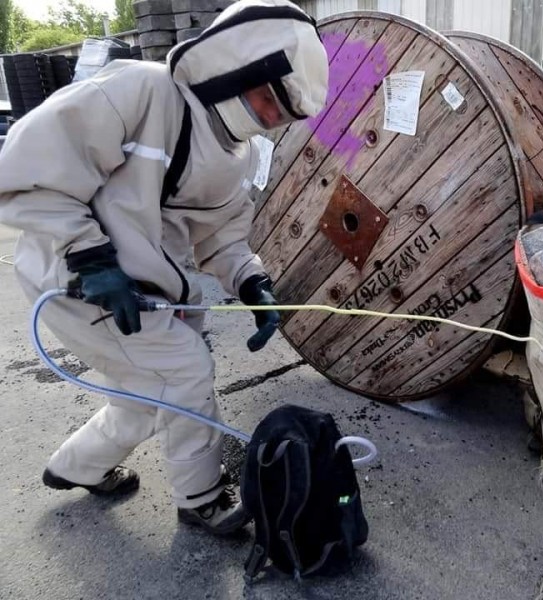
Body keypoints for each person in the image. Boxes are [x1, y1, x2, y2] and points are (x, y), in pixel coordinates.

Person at [0, 0, 329, 536]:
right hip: (76, 282)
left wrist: (251, 280)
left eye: (281, 114)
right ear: (233, 64)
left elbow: (221, 237)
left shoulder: (237, 155)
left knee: (148, 393)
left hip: (150, 292)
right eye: (268, 98)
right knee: (185, 372)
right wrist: (91, 258)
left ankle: (74, 466)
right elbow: (29, 165)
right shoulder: (143, 92)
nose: (270, 117)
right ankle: (200, 500)